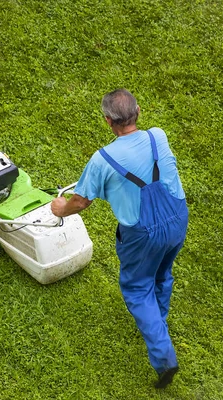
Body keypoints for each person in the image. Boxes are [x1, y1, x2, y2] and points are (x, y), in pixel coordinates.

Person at [51, 88, 188, 389]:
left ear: (108, 122)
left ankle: (165, 358)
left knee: (138, 289)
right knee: (162, 272)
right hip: (178, 219)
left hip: (143, 235)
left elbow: (81, 202)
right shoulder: (158, 136)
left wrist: (59, 206)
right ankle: (158, 321)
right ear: (138, 112)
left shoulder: (102, 160)